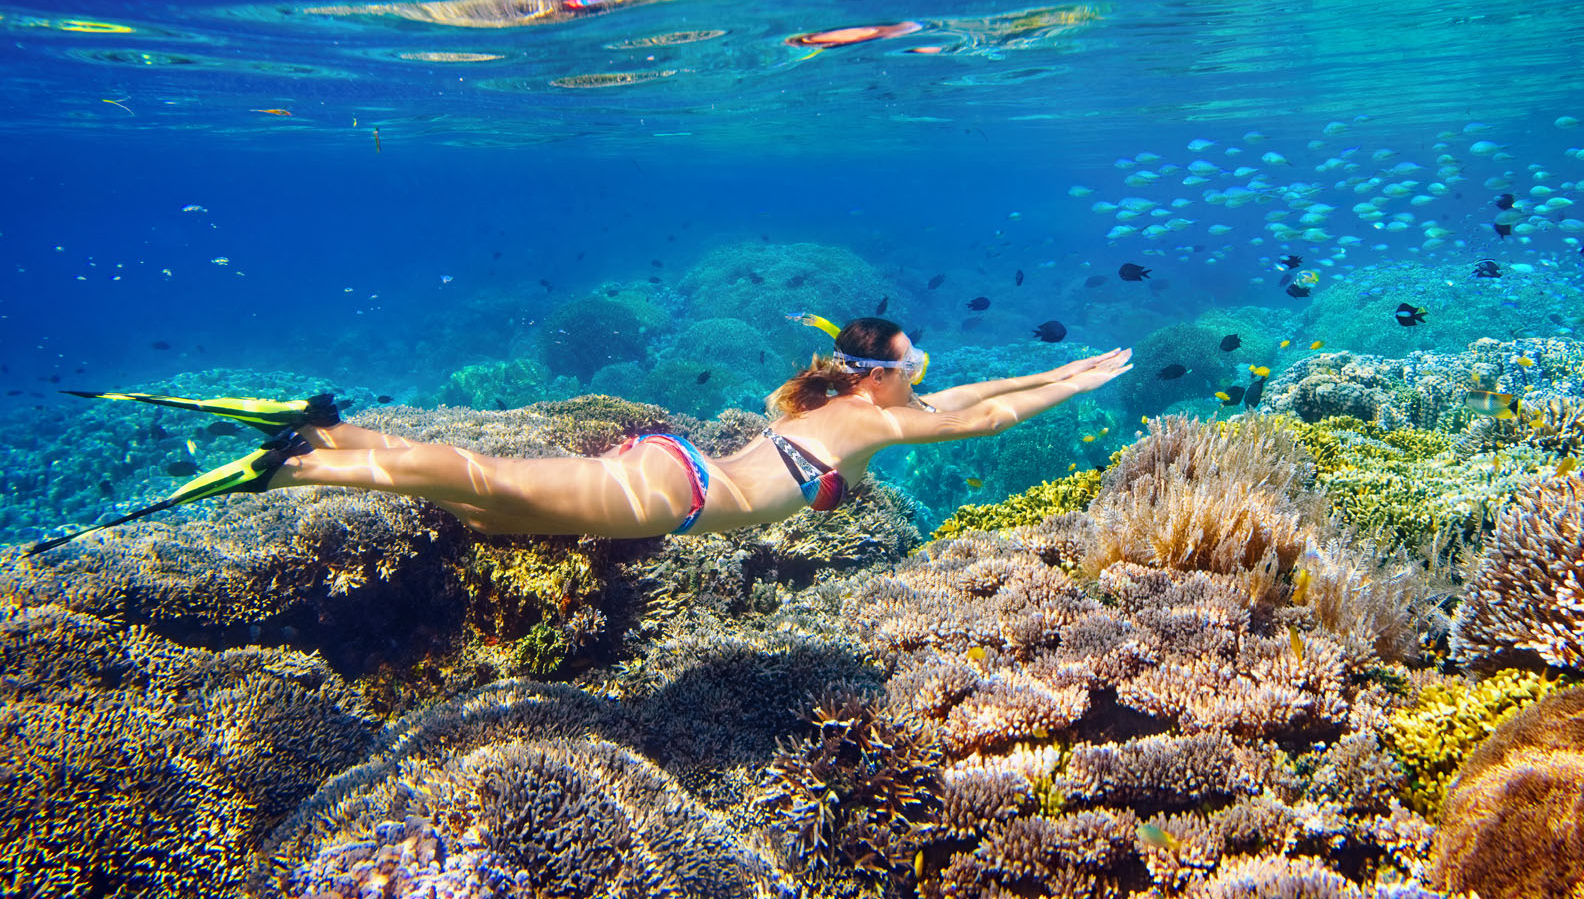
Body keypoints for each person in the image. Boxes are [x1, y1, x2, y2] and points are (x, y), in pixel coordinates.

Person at [25, 317, 1130, 554]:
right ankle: (309, 446)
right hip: (666, 496)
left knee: (479, 499)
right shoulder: (871, 426)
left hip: (663, 468)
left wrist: (1063, 365)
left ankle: (312, 449)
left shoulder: (819, 402)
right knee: (485, 484)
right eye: (918, 369)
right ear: (890, 379)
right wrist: (1066, 388)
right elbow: (986, 408)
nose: (931, 383)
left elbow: (979, 386)